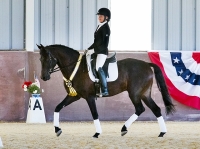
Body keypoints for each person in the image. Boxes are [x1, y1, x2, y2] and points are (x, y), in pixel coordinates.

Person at [85, 8, 111, 97]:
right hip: (96, 51)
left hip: (102, 52)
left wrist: (94, 50)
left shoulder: (106, 28)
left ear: (106, 17)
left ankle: (105, 90)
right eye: (99, 16)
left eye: (101, 16)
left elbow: (105, 44)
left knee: (98, 67)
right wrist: (88, 49)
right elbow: (96, 42)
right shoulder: (99, 26)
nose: (99, 17)